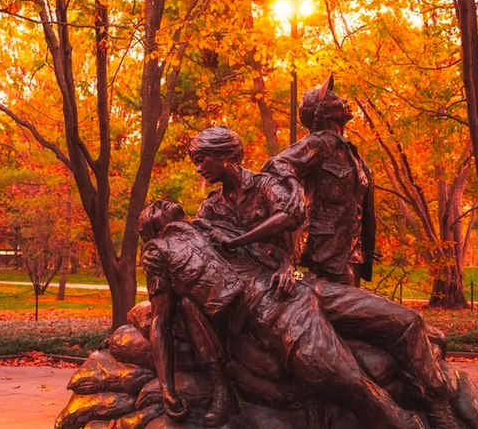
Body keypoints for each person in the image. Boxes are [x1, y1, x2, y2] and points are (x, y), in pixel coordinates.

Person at [195, 125, 459, 429]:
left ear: (225, 156)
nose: (199, 167)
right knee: (332, 366)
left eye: (203, 159)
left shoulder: (266, 186)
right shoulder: (210, 209)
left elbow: (291, 217)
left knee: (407, 321)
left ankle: (438, 406)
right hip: (272, 302)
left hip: (301, 284)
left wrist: (277, 260)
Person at [262, 74, 375, 285]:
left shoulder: (349, 152)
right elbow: (275, 165)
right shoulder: (319, 144)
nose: (344, 101)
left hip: (353, 253)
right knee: (338, 312)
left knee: (355, 314)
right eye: (335, 98)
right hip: (327, 253)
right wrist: (294, 187)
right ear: (323, 110)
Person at [138, 200, 241, 427]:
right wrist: (167, 387)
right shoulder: (157, 252)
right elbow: (160, 323)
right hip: (216, 316)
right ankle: (221, 388)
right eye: (154, 210)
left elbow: (257, 249)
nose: (159, 202)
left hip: (255, 298)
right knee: (187, 303)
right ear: (153, 231)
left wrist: (285, 267)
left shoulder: (205, 226)